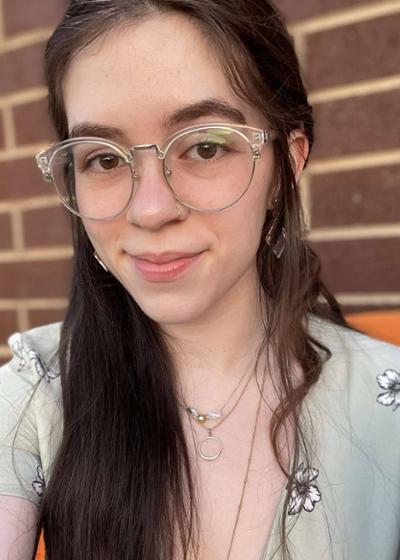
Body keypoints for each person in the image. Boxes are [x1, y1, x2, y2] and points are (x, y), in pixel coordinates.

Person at [1, 1, 399, 559]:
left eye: (205, 147)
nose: (150, 210)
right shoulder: (33, 396)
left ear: (286, 166)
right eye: (104, 160)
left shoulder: (387, 406)